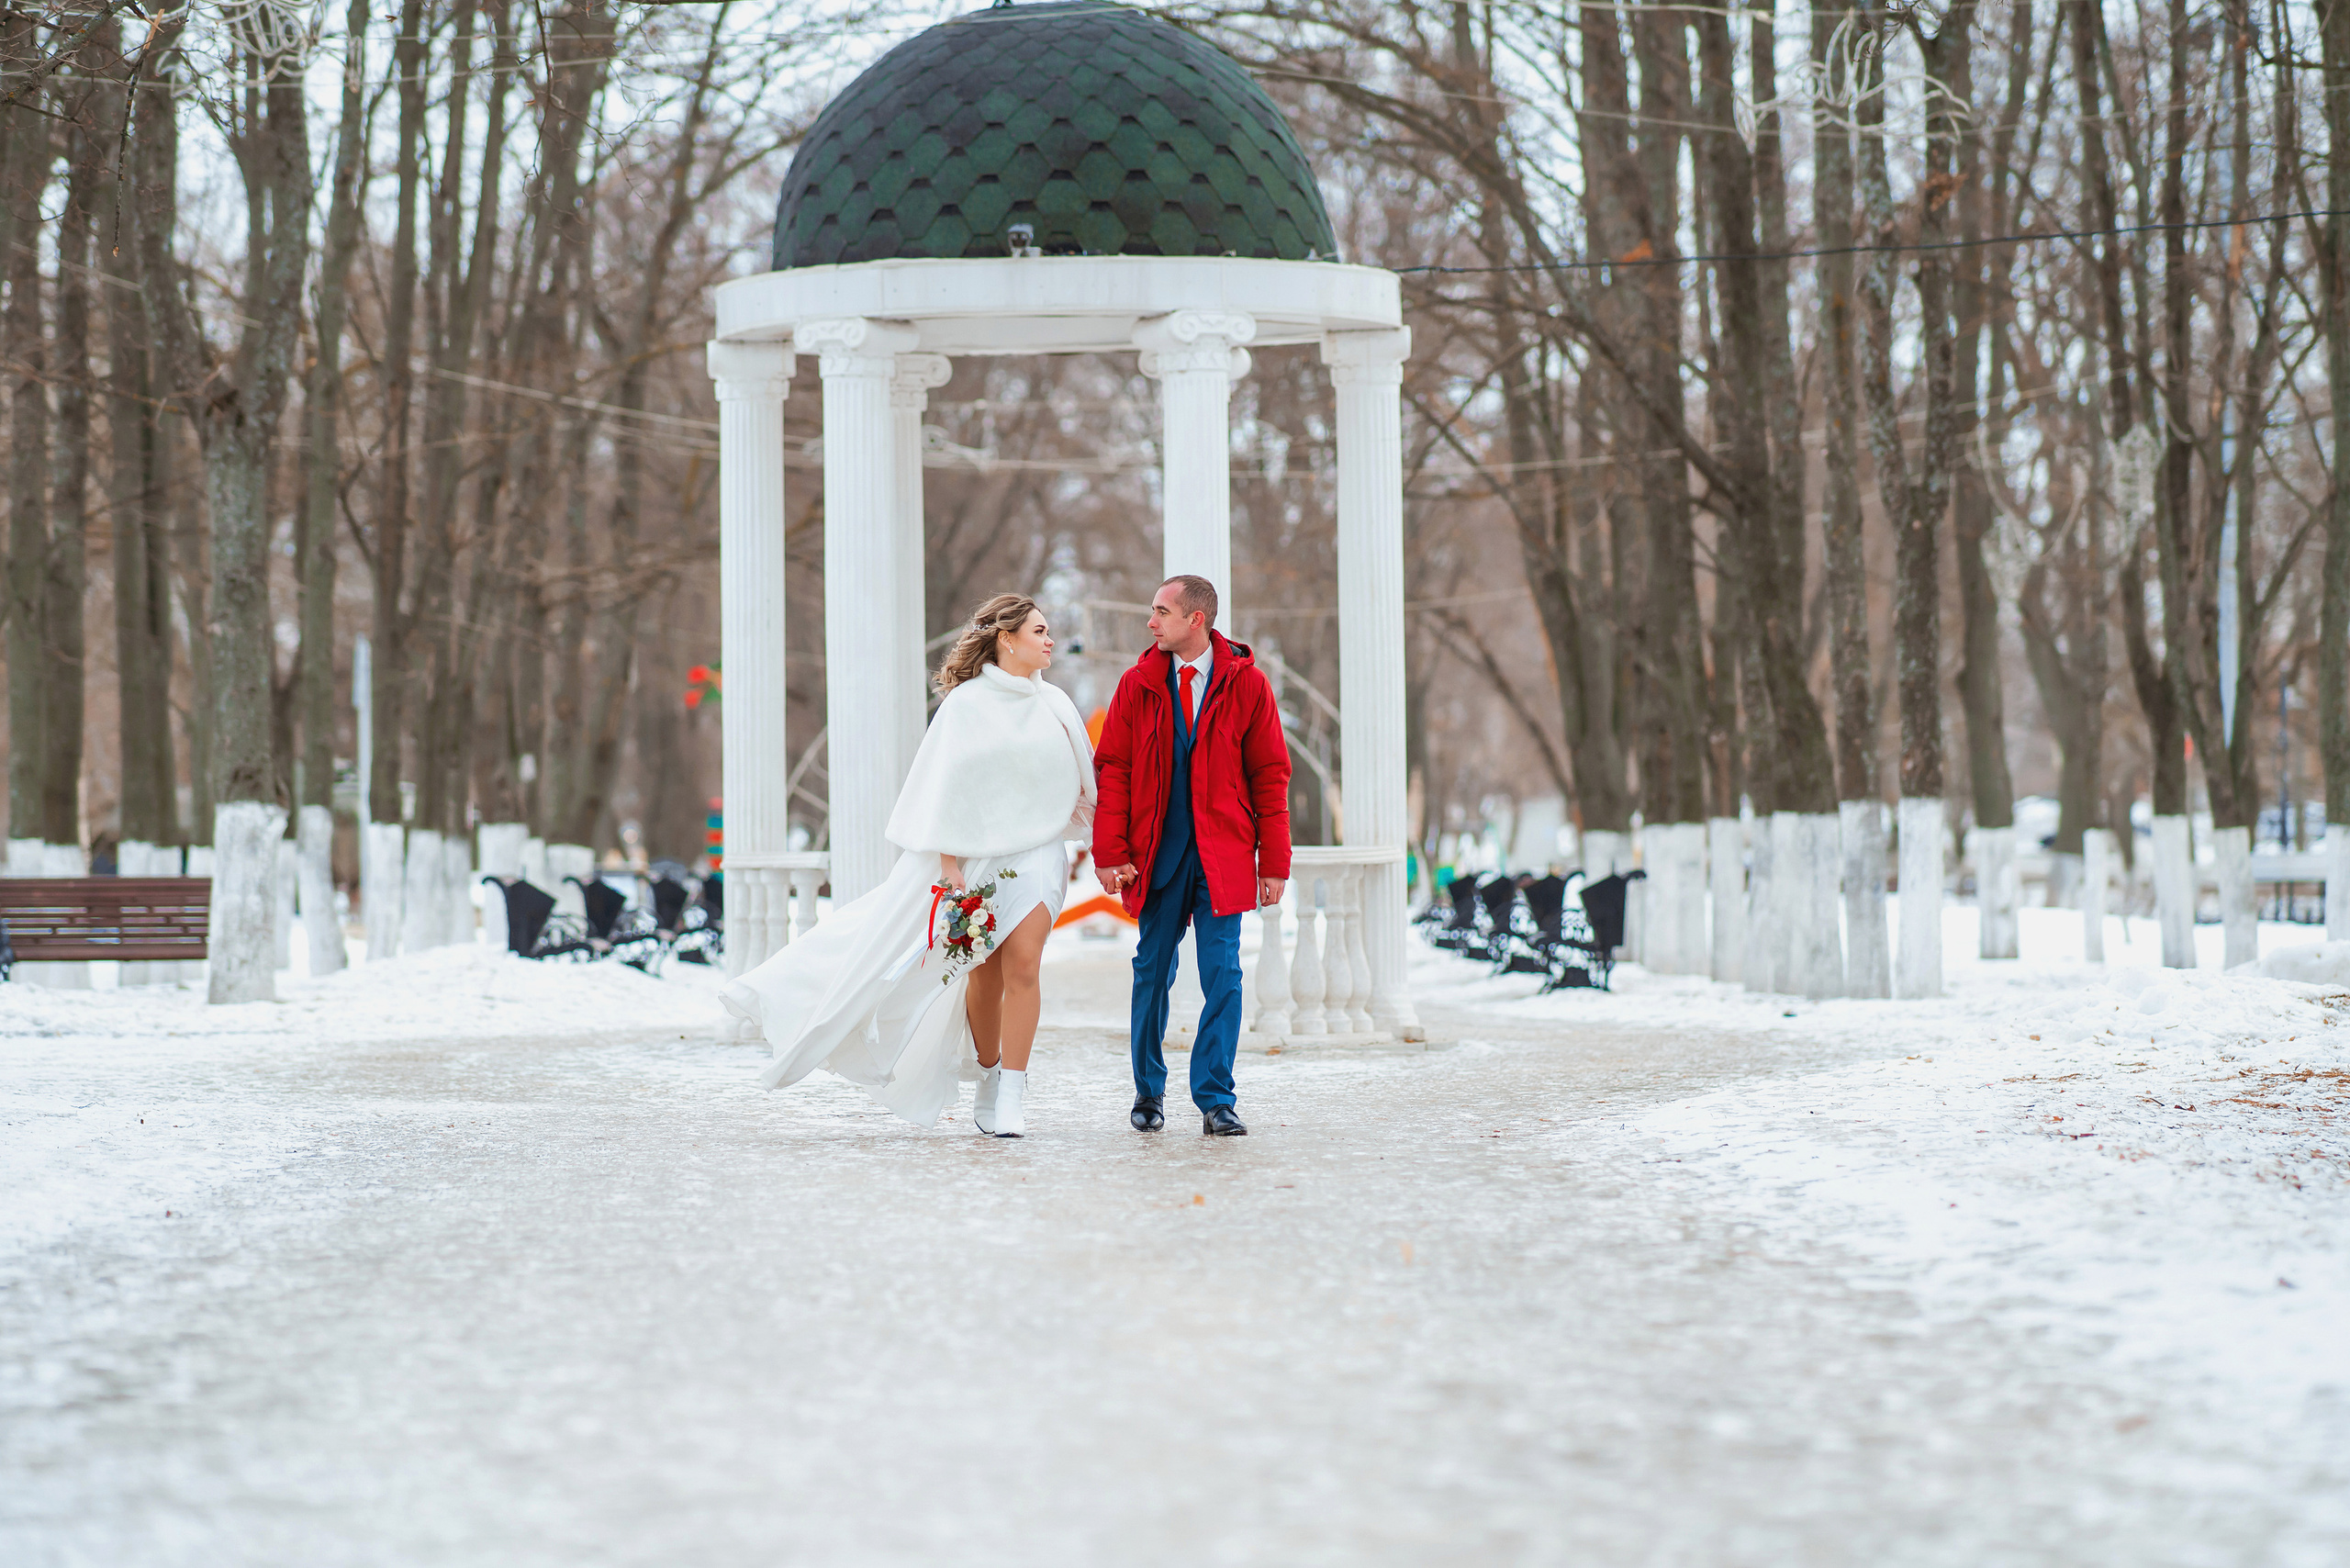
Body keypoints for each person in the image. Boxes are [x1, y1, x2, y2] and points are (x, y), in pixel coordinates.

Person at [720, 594, 1093, 1137]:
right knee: (982, 973)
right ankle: (988, 1074)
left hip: (1037, 853)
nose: (1050, 640)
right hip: (976, 856)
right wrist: (948, 863)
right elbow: (940, 788)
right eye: (1039, 631)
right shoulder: (965, 705)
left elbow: (1084, 783)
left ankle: (1012, 1088)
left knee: (1025, 965)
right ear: (1006, 638)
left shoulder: (1057, 703)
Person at [1091, 575, 1291, 1136]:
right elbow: (1115, 772)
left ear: (1195, 618)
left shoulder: (1247, 685)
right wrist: (1110, 853)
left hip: (1223, 855)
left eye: (1160, 611)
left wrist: (1273, 864)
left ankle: (1216, 1098)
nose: (1151, 622)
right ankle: (1147, 1093)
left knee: (1222, 975)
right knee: (1152, 973)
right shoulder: (1137, 685)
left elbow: (1270, 777)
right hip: (1158, 857)